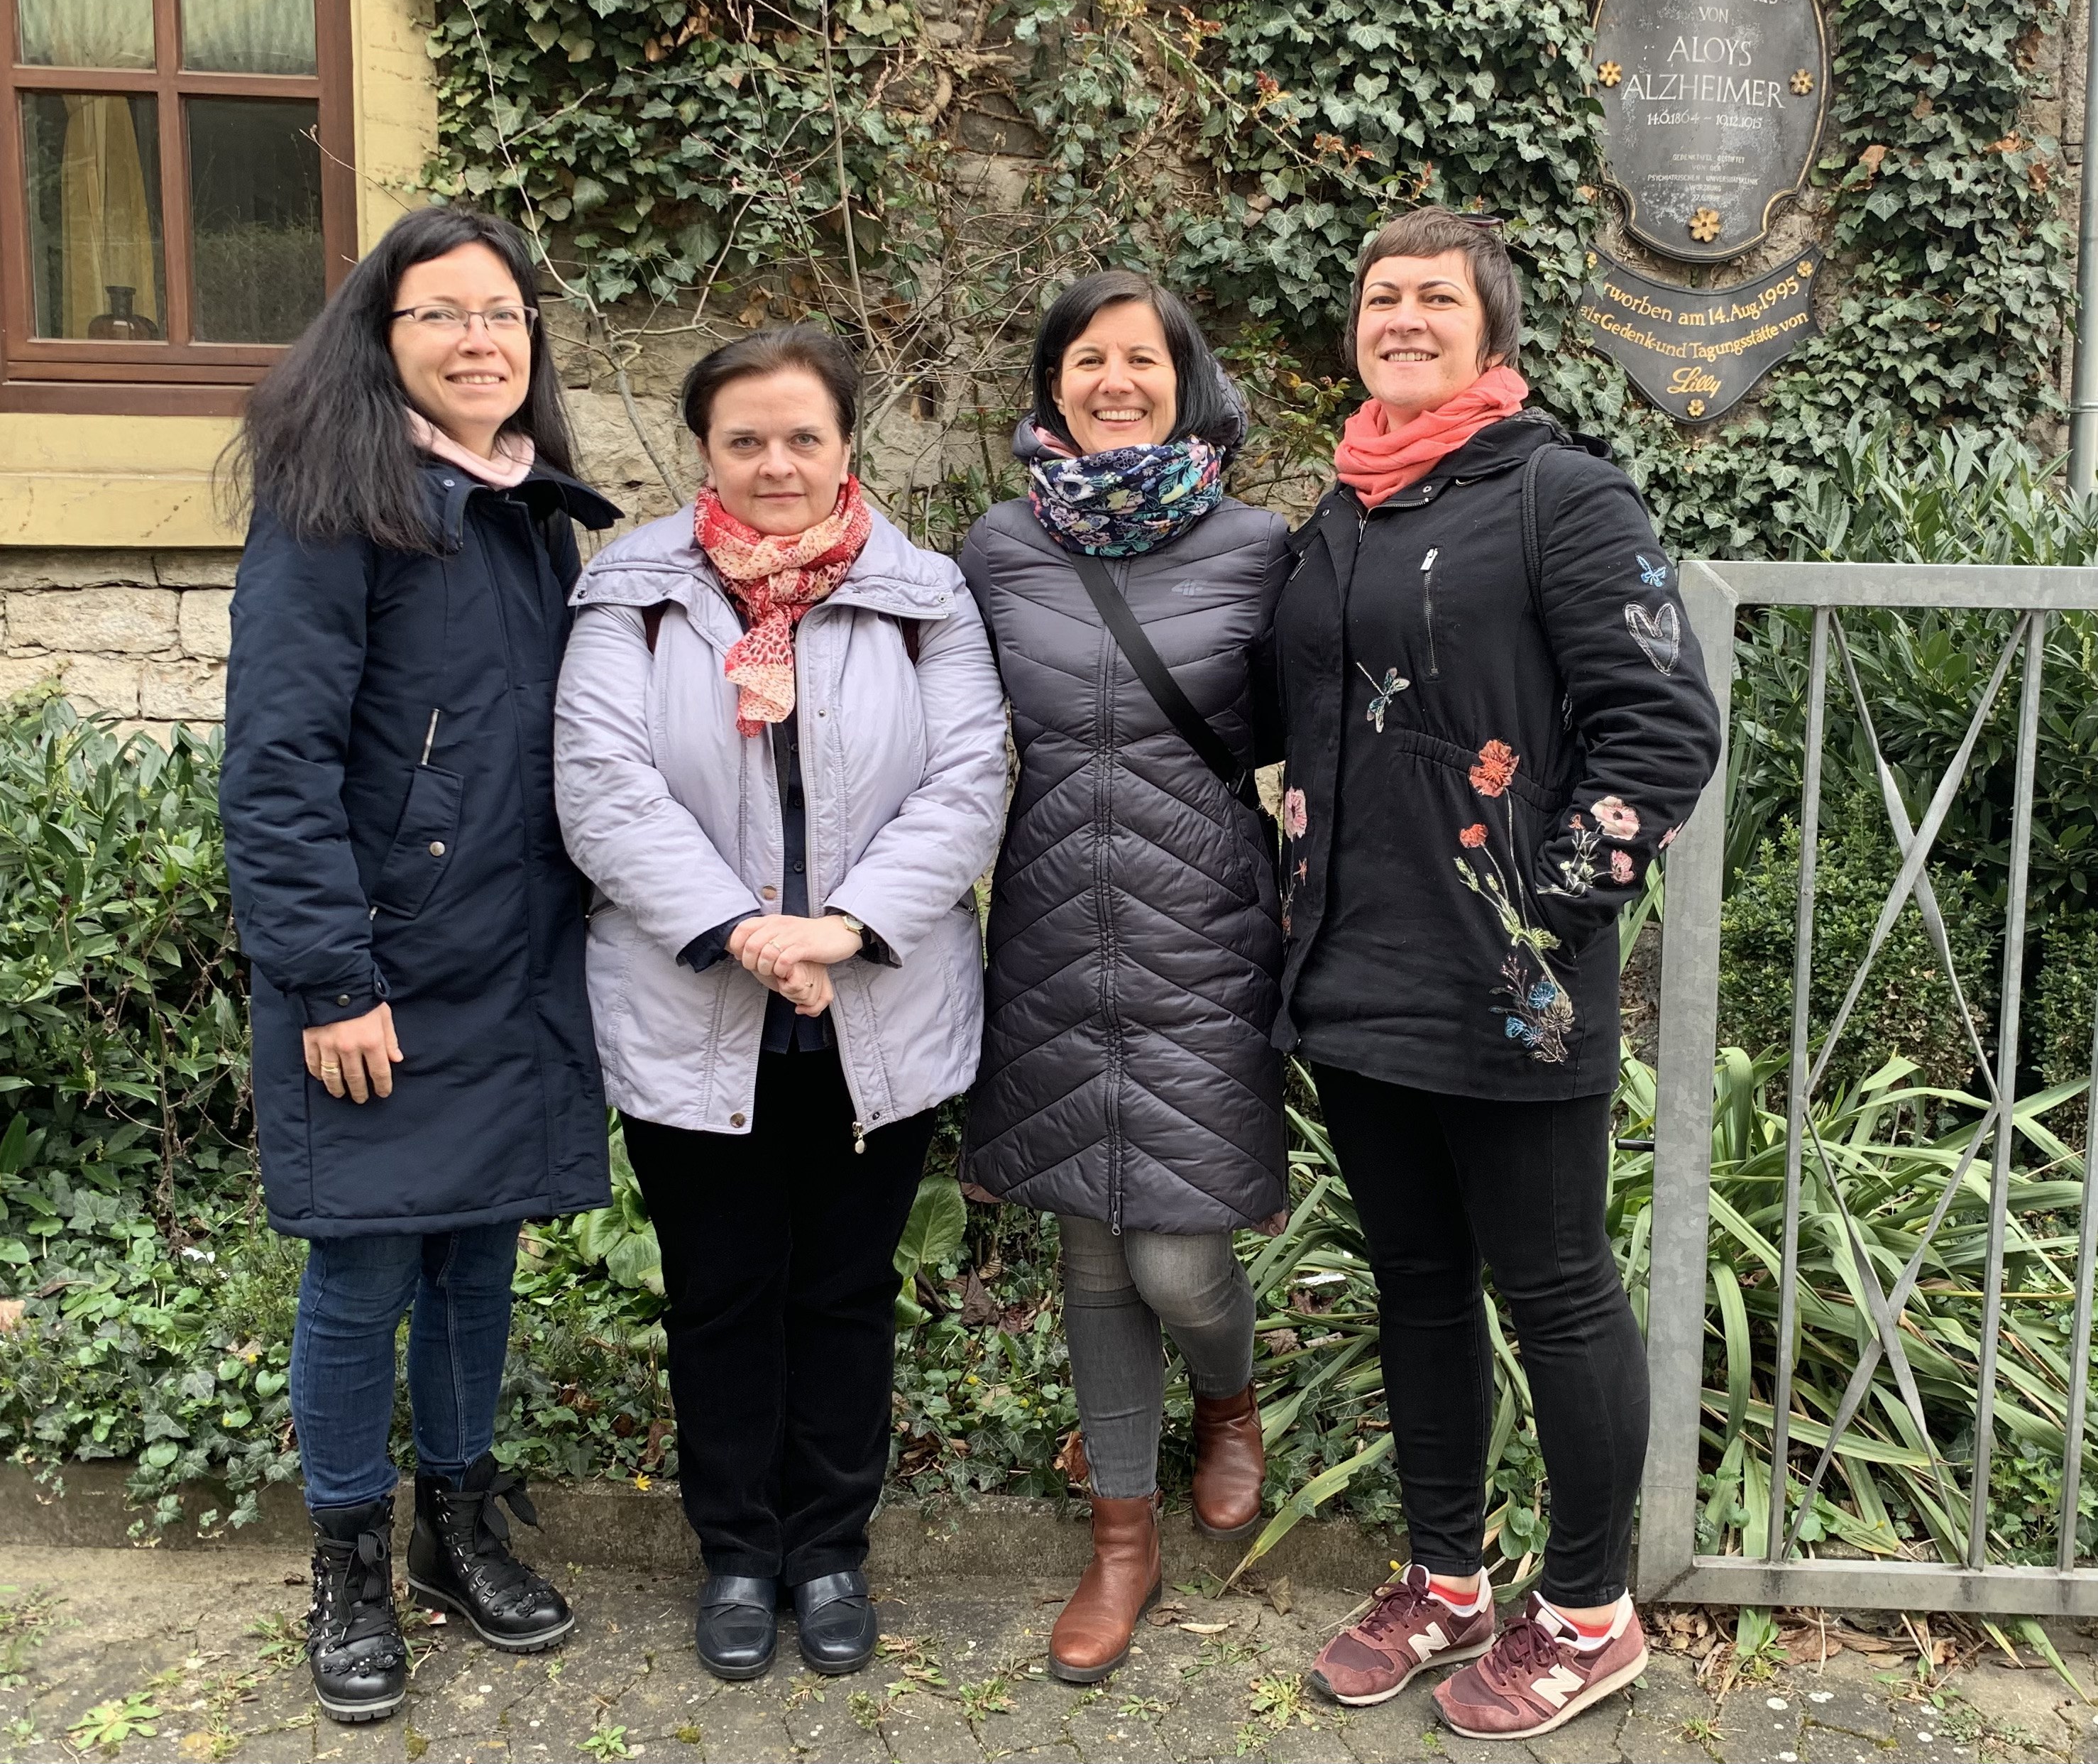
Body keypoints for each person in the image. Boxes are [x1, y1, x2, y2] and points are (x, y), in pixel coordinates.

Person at [1273, 209, 1722, 1738]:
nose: (1401, 316)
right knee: (1416, 1282)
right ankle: (1447, 1579)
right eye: (1379, 295)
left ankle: (1590, 1613)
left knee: (1554, 1288)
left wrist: (1546, 909)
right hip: (1355, 968)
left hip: (1510, 981)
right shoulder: (1340, 509)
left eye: (1433, 297)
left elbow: (1661, 723)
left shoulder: (1559, 494)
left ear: (1490, 333)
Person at [553, 324, 1007, 1683]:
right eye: (744, 438)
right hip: (696, 997)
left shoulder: (924, 595)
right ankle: (739, 1551)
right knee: (722, 1293)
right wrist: (749, 929)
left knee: (848, 1291)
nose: (775, 463)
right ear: (704, 448)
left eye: (803, 436)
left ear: (847, 442)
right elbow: (602, 783)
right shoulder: (634, 592)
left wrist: (844, 927)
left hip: (875, 1002)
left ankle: (830, 1550)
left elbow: (970, 778)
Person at [220, 206, 620, 1725]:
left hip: (512, 959)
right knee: (364, 1267)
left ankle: (458, 1527)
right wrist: (329, 979)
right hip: (378, 973)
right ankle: (347, 1565)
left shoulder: (527, 508)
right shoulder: (334, 502)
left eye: (503, 314)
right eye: (442, 314)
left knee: (477, 1261)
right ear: (382, 338)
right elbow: (277, 765)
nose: (479, 340)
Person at [958, 270, 1289, 1685]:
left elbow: (1309, 731)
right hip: (1050, 925)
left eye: (1140, 358)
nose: (1115, 381)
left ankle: (1229, 1392)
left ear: (1181, 377)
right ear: (1053, 383)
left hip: (1202, 929)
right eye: (1087, 359)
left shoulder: (1258, 545)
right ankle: (1119, 1538)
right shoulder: (997, 548)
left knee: (1177, 1253)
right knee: (1091, 1246)